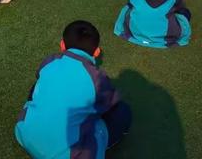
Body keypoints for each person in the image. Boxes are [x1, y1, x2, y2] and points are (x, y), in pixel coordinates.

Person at [15, 21, 132, 159]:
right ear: (96, 52)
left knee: (38, 88)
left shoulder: (49, 61)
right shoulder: (97, 78)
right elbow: (110, 104)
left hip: (24, 135)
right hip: (68, 155)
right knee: (122, 111)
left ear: (62, 45)